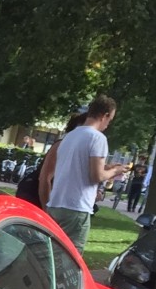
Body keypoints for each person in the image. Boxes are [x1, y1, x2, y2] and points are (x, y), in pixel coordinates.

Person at [45, 93, 124, 250]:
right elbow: (97, 176)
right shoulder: (98, 138)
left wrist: (106, 168)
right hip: (77, 207)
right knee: (70, 260)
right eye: (110, 120)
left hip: (55, 204)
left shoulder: (69, 136)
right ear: (105, 115)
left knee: (51, 255)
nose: (108, 124)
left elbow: (75, 167)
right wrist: (116, 171)